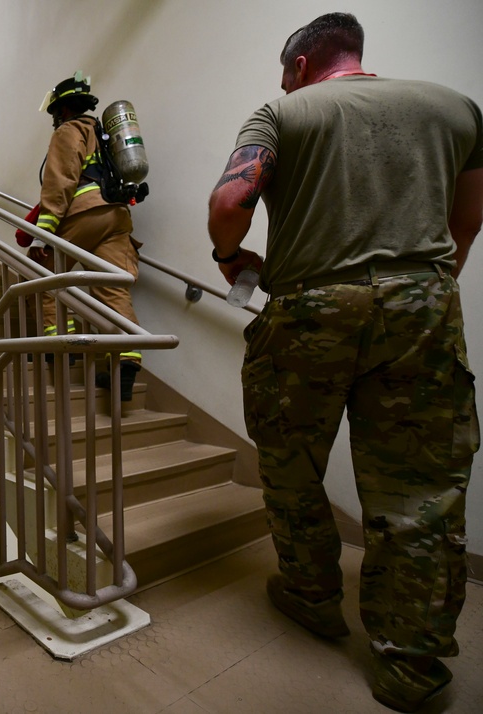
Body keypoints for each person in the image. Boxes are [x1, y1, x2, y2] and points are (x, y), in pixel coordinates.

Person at [207, 12, 482, 712]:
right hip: (422, 306)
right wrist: (426, 285)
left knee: (291, 464)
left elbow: (233, 198)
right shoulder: (456, 109)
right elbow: (469, 218)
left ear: (300, 66)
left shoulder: (283, 110)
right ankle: (411, 668)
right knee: (420, 494)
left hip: (309, 307)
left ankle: (311, 596)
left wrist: (229, 258)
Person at [25, 71, 144, 400]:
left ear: (62, 110)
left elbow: (61, 181)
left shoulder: (69, 130)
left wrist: (42, 235)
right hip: (116, 216)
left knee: (42, 274)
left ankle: (61, 345)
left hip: (85, 213)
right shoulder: (102, 133)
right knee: (112, 288)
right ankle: (126, 362)